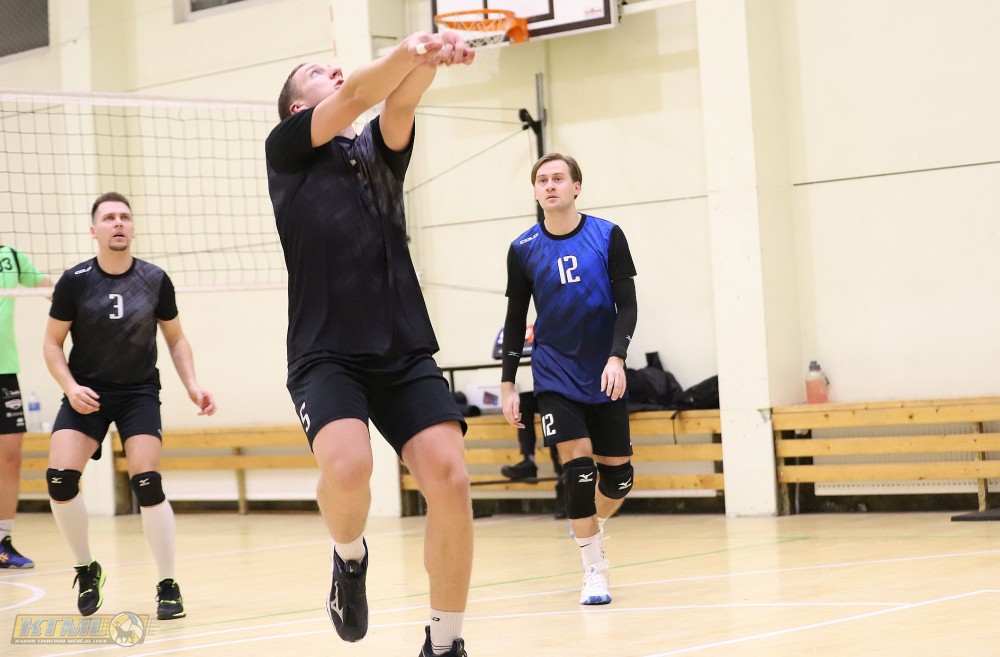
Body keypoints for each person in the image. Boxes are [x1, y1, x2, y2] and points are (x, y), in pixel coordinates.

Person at [265, 31, 475, 657]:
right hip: (326, 348)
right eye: (315, 70)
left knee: (451, 479)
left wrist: (432, 58)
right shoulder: (288, 148)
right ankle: (349, 556)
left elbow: (399, 101)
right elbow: (359, 93)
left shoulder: (374, 153)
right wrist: (411, 49)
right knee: (350, 468)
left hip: (401, 344)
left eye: (330, 66)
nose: (332, 69)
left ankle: (445, 642)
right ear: (298, 107)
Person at [42, 192, 217, 620]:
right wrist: (70, 387)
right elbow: (51, 343)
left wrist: (193, 384)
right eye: (109, 218)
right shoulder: (75, 281)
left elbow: (176, 338)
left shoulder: (155, 279)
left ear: (133, 227)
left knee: (147, 483)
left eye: (124, 216)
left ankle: (168, 584)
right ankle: (86, 568)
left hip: (138, 392)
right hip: (87, 392)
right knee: (60, 480)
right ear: (94, 230)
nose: (118, 223)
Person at [500, 153, 638, 606]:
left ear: (576, 186)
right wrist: (508, 384)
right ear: (535, 191)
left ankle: (588, 528)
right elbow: (515, 317)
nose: (550, 185)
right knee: (578, 473)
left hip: (603, 372)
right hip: (555, 374)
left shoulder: (607, 235)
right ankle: (594, 569)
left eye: (558, 178)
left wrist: (617, 357)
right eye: (542, 180)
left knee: (618, 480)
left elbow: (627, 305)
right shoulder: (523, 248)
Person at [0, 245, 52, 568]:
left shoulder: (10, 257)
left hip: (4, 371)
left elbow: (51, 291)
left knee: (10, 457)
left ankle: (2, 541)